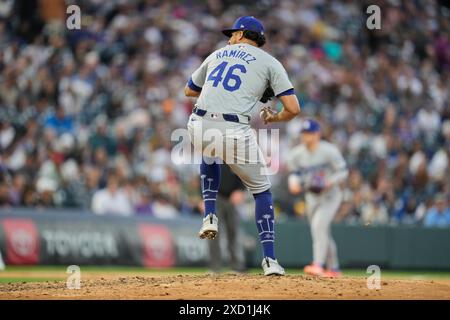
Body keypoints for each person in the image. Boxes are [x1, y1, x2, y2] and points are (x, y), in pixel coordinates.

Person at [184, 16, 301, 276]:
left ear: (241, 34)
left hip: (197, 123)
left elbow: (188, 90)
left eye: (232, 33)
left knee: (209, 150)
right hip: (234, 129)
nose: (229, 38)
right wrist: (273, 115)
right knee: (262, 191)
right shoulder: (271, 62)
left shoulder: (217, 54)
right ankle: (270, 261)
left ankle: (209, 214)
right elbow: (293, 108)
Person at [287, 119, 348, 278]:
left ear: (317, 134)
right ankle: (334, 269)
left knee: (319, 226)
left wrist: (330, 182)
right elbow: (294, 174)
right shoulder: (297, 153)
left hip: (330, 195)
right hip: (311, 196)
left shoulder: (329, 150)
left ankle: (318, 264)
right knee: (322, 232)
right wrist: (293, 183)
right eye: (304, 133)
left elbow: (343, 171)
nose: (305, 136)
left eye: (309, 133)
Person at [208, 164, 246, 273]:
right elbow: (204, 175)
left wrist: (240, 189)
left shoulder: (236, 153)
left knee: (233, 232)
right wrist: (204, 198)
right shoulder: (213, 154)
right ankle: (214, 267)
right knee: (213, 231)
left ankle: (236, 266)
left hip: (233, 197)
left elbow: (244, 172)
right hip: (215, 195)